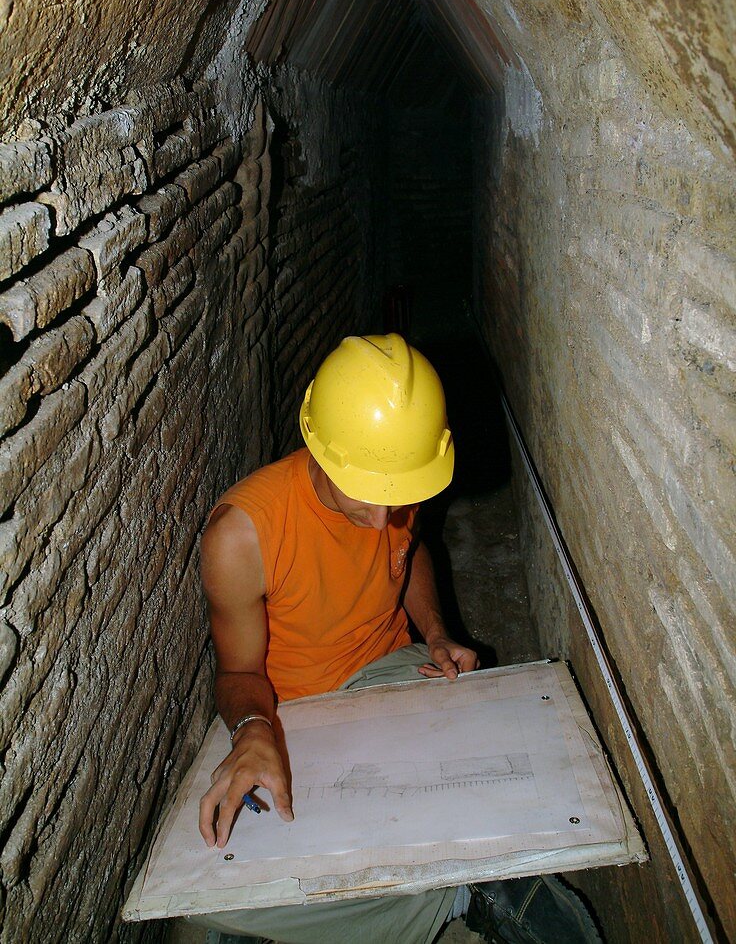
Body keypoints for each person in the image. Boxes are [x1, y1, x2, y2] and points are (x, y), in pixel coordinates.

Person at [193, 334, 601, 944]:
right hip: (294, 716)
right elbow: (238, 675)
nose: (386, 518)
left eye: (400, 496)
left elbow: (409, 556)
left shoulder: (395, 487)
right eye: (369, 494)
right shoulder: (241, 536)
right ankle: (465, 886)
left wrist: (437, 634)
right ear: (318, 446)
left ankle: (432, 887)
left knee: (504, 751)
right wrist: (253, 730)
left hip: (393, 673)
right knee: (208, 903)